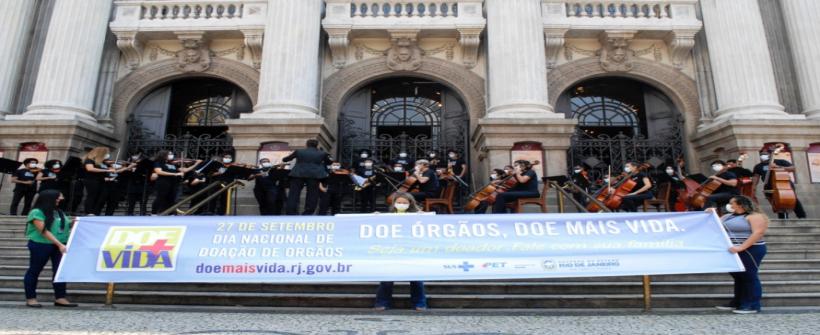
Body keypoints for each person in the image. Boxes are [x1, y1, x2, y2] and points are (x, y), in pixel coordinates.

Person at [713, 195, 768, 314]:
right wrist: (710, 213)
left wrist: (741, 247)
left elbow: (758, 233)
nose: (729, 205)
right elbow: (714, 224)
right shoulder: (728, 216)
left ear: (740, 205)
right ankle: (738, 301)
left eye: (732, 203)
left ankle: (752, 304)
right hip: (732, 250)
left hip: (751, 249)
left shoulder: (754, 216)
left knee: (749, 276)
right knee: (738, 277)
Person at [23, 189, 77, 308]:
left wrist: (75, 222)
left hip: (59, 245)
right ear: (50, 198)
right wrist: (59, 244)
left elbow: (65, 225)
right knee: (34, 270)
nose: (60, 199)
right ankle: (31, 298)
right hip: (41, 244)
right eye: (58, 197)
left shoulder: (59, 212)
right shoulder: (37, 212)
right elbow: (44, 231)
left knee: (59, 271)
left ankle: (60, 297)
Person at [373, 192, 427, 311]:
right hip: (392, 250)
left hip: (411, 250)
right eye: (399, 202)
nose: (401, 205)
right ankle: (382, 302)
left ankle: (419, 303)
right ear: (394, 203)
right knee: (387, 278)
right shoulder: (388, 216)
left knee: (416, 278)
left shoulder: (416, 216)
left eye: (404, 203)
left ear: (410, 204)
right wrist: (376, 217)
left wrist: (423, 217)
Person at [752, 150, 807, 219]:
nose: (763, 156)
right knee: (777, 202)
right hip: (769, 186)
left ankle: (801, 216)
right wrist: (754, 187)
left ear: (769, 155)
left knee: (793, 199)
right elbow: (756, 177)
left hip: (784, 184)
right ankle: (783, 218)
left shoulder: (780, 161)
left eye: (765, 154)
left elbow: (793, 168)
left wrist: (778, 167)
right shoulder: (758, 166)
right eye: (761, 154)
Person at [283, 139, 332, 215]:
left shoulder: (299, 151)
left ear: (307, 144)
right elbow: (329, 162)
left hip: (298, 174)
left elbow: (286, 159)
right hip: (314, 175)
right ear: (317, 145)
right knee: (312, 194)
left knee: (293, 194)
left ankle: (291, 212)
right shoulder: (322, 153)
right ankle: (308, 212)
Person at [82, 147, 116, 215]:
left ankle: (96, 212)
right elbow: (90, 169)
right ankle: (89, 211)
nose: (107, 155)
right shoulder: (89, 160)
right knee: (92, 196)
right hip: (92, 180)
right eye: (106, 153)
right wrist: (107, 170)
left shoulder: (102, 162)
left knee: (101, 197)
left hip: (101, 181)